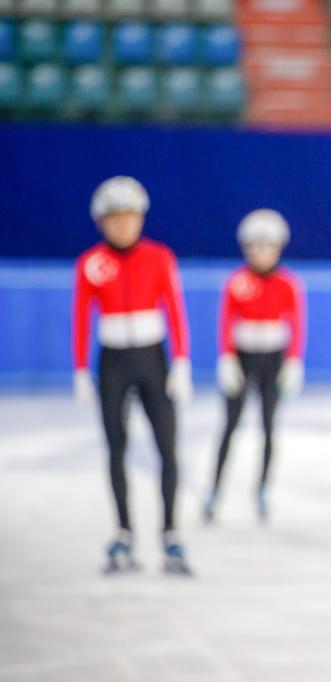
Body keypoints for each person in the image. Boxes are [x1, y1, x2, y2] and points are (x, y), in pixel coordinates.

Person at [72, 176, 193, 575]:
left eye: (129, 217)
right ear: (101, 222)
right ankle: (123, 531)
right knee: (115, 447)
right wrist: (80, 368)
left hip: (152, 358)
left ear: (140, 218)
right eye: (114, 219)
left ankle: (171, 533)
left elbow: (174, 306)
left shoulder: (160, 257)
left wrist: (180, 360)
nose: (122, 226)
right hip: (112, 361)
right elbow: (80, 317)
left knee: (167, 446)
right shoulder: (90, 262)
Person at [204, 209, 305, 524]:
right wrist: (226, 356)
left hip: (272, 359)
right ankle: (214, 490)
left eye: (267, 246)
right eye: (255, 246)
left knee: (268, 426)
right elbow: (225, 322)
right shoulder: (237, 282)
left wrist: (293, 360)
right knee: (230, 425)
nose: (261, 253)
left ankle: (262, 489)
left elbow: (298, 324)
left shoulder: (288, 283)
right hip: (243, 357)